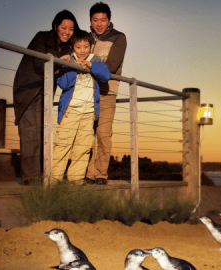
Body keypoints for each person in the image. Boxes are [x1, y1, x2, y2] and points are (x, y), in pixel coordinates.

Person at [13, 10, 80, 185]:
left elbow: (59, 73)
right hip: (28, 89)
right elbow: (40, 63)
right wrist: (60, 62)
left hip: (46, 91)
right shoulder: (41, 37)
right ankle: (30, 178)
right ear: (56, 26)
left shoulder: (67, 47)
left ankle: (42, 176)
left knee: (43, 133)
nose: (67, 31)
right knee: (29, 132)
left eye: (71, 29)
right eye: (63, 27)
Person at [51, 30, 111, 185]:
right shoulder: (68, 60)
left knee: (83, 147)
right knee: (63, 144)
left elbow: (106, 76)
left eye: (86, 46)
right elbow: (63, 84)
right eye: (79, 47)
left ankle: (75, 179)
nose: (83, 50)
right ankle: (54, 179)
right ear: (72, 47)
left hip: (89, 111)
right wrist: (70, 65)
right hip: (71, 110)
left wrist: (90, 65)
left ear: (91, 46)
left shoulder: (95, 59)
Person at [85, 2, 127, 185]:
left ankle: (101, 174)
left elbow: (111, 66)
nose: (99, 23)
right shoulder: (85, 37)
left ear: (109, 21)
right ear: (91, 21)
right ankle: (87, 173)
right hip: (85, 91)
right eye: (95, 20)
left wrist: (87, 60)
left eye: (103, 20)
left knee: (103, 133)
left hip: (107, 92)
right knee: (86, 134)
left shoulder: (119, 38)